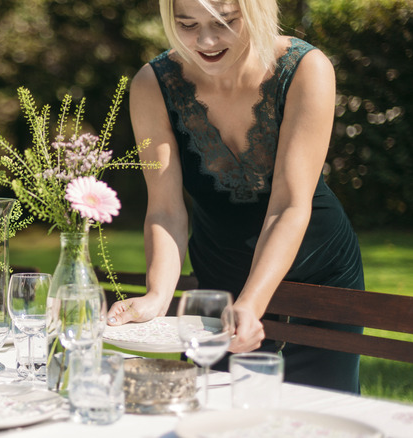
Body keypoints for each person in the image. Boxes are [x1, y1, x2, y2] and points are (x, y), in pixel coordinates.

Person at [107, 0, 364, 393]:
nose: (206, 41)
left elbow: (289, 205)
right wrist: (158, 296)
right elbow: (165, 210)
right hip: (218, 277)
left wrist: (252, 301)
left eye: (224, 23)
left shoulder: (306, 69)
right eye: (187, 24)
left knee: (318, 418)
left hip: (319, 272)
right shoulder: (153, 84)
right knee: (210, 413)